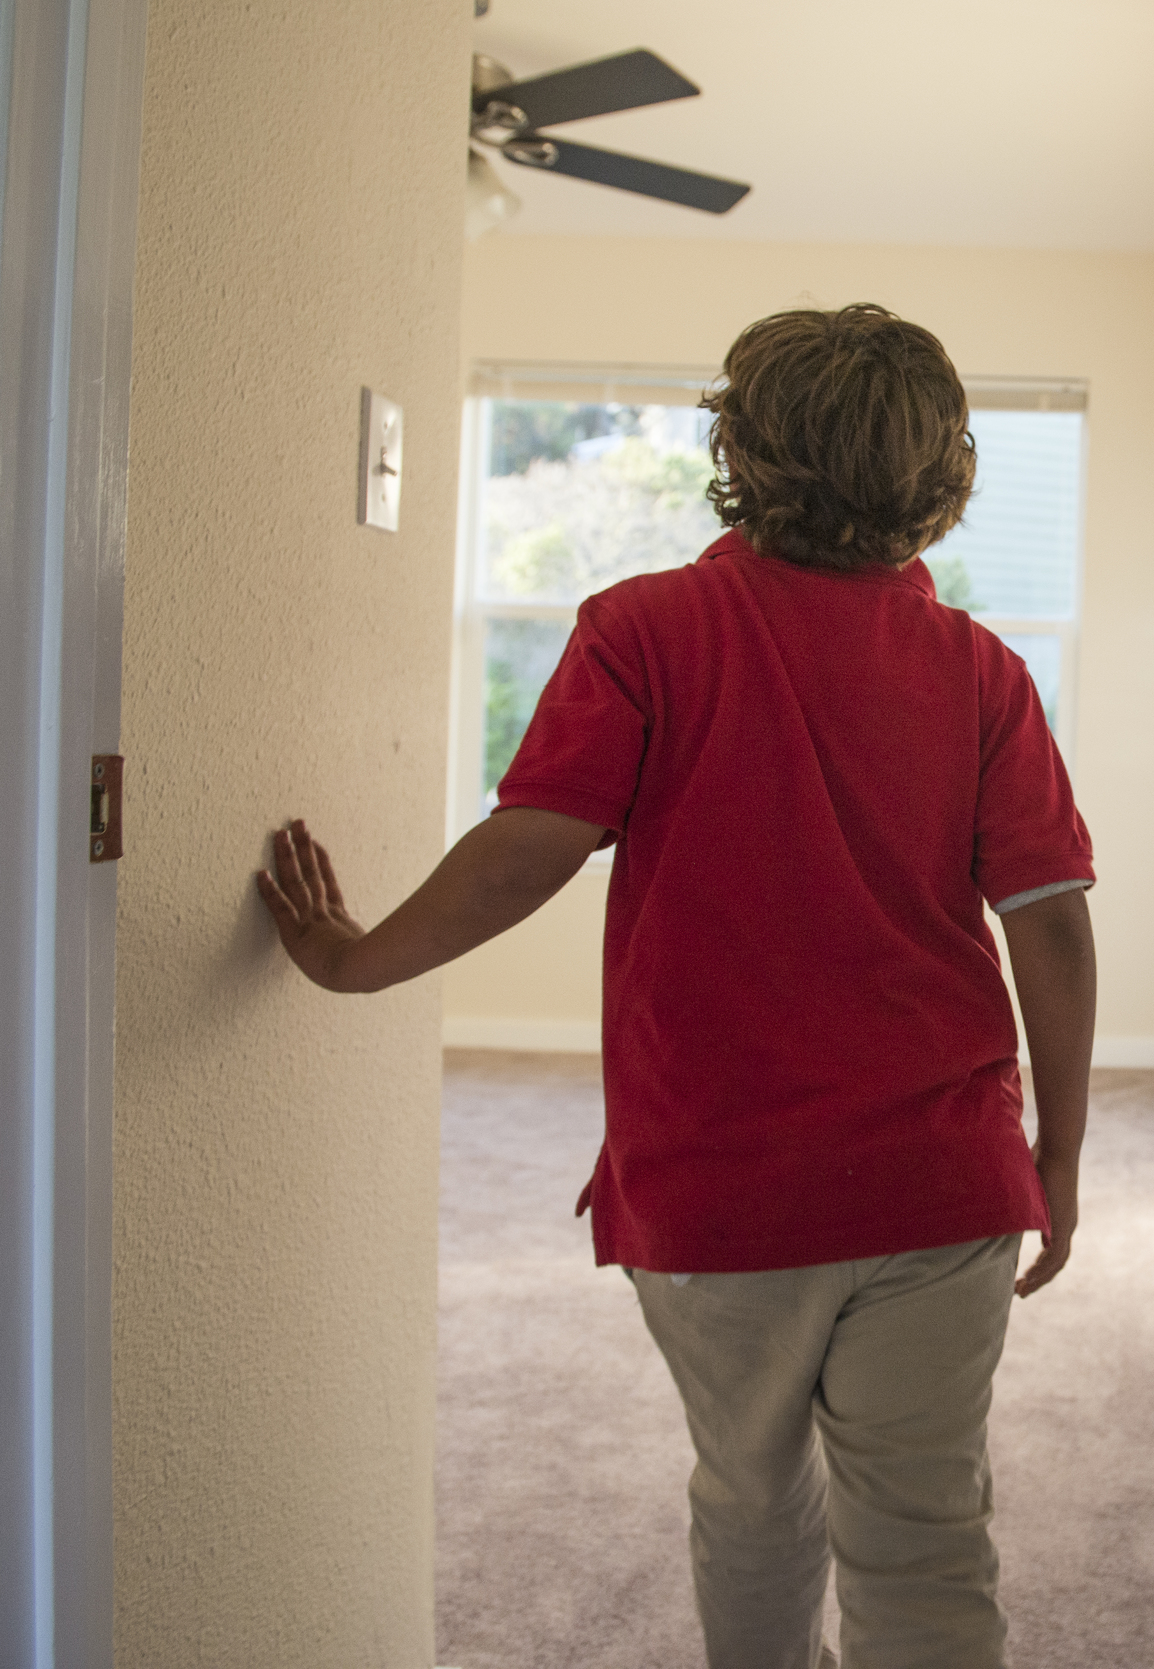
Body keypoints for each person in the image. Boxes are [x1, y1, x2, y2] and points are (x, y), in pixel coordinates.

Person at [255, 304, 1096, 1669]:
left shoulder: (643, 631)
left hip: (720, 1194)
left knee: (755, 1501)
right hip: (943, 1183)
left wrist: (357, 960)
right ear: (944, 483)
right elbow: (1049, 926)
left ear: (738, 451)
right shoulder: (984, 677)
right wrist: (1056, 1148)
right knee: (927, 1526)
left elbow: (528, 849)